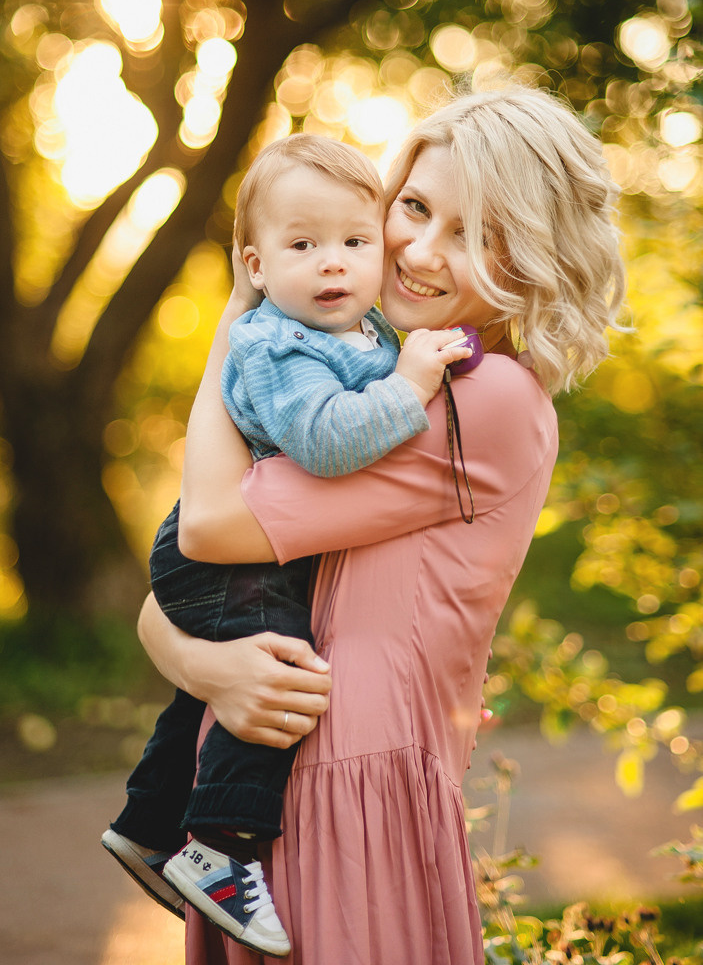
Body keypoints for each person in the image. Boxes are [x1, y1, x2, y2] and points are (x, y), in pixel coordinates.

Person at [137, 85, 627, 965]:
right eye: (413, 207)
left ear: (532, 262)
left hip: (349, 781)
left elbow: (209, 525)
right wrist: (193, 660)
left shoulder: (484, 399)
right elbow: (191, 577)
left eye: (473, 235)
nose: (418, 250)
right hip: (273, 772)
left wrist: (233, 330)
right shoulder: (368, 379)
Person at [103, 134, 474, 956]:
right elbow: (323, 444)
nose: (332, 264)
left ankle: (146, 820)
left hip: (245, 541)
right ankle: (220, 847)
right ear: (255, 265)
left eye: (353, 241)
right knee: (280, 665)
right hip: (223, 548)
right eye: (302, 246)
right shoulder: (280, 344)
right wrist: (411, 383)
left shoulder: (355, 328)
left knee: (219, 684)